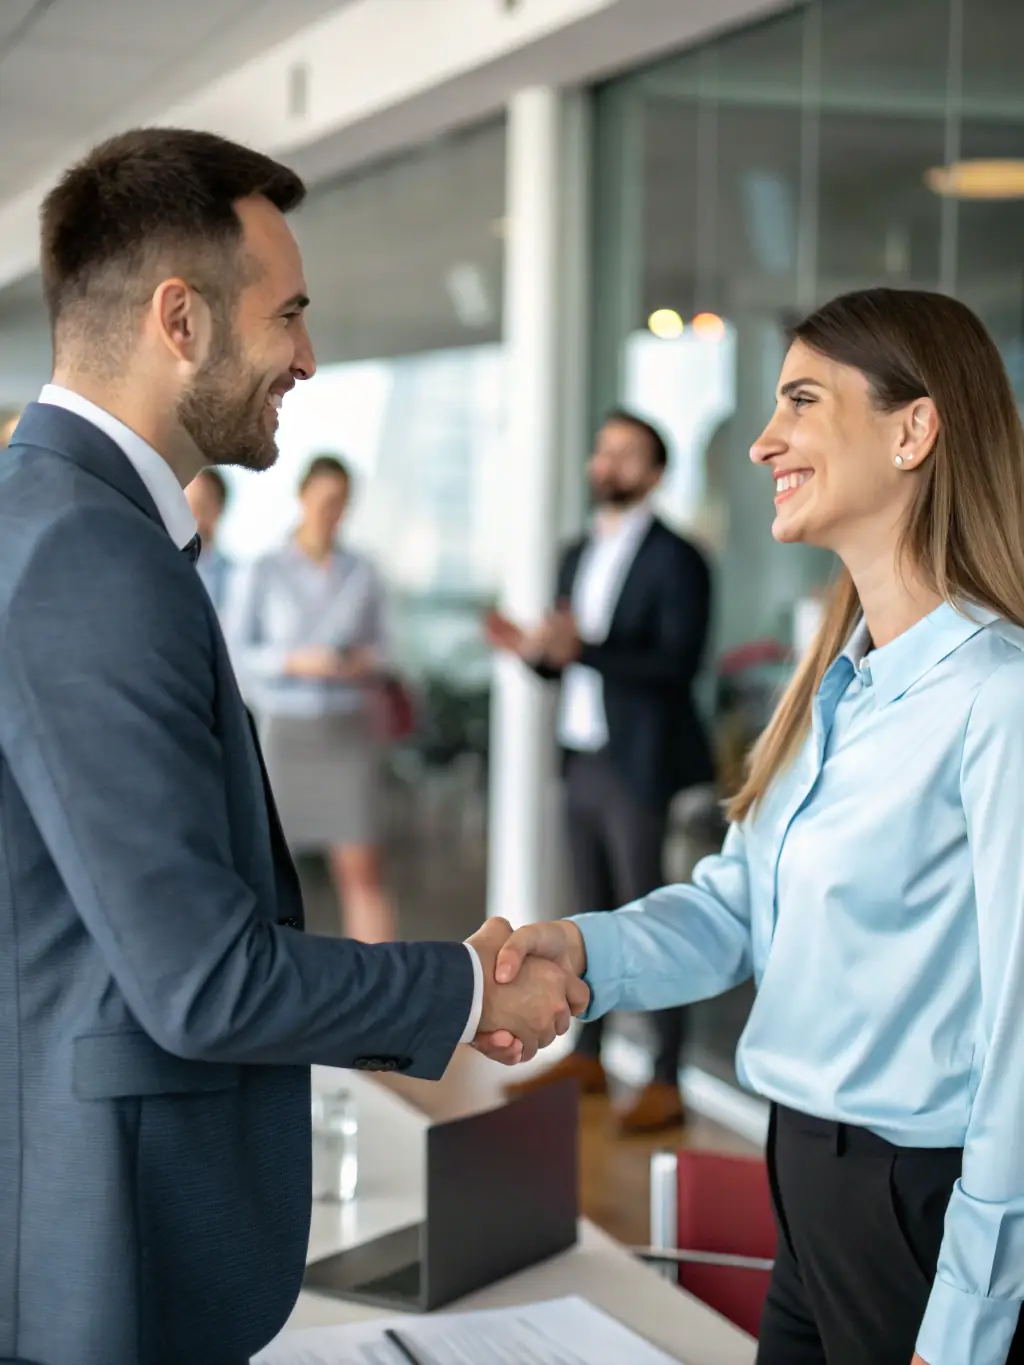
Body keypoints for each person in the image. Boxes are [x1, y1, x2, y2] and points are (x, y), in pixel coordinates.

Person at [0, 128, 585, 1365]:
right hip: (107, 1232)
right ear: (180, 320)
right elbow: (202, 982)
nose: (309, 358)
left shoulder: (60, 521)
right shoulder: (85, 555)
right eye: (289, 315)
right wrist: (469, 987)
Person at [478, 288, 1024, 1365]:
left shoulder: (996, 698)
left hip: (919, 1214)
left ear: (914, 430)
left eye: (802, 401)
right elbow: (735, 907)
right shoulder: (836, 683)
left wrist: (969, 1314)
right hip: (806, 1182)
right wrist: (580, 951)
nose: (762, 441)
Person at [485, 409, 713, 1133]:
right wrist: (534, 652)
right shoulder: (577, 552)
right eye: (602, 450)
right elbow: (567, 662)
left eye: (623, 454)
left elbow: (677, 664)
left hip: (640, 762)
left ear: (654, 472)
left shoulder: (679, 558)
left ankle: (667, 1076)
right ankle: (591, 1054)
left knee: (652, 915)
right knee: (589, 910)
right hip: (582, 753)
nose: (606, 463)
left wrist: (584, 648)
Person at [227, 454, 397, 943]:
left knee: (362, 868)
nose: (331, 512)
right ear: (301, 498)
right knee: (271, 871)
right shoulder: (263, 570)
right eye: (323, 501)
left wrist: (360, 662)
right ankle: (278, 979)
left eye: (341, 503)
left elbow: (387, 649)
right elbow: (236, 654)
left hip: (346, 728)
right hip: (286, 730)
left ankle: (378, 980)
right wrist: (294, 662)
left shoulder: (363, 571)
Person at [185, 465, 233, 612]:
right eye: (190, 504)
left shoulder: (234, 576)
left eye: (203, 505)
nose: (195, 515)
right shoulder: (161, 567)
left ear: (220, 509)